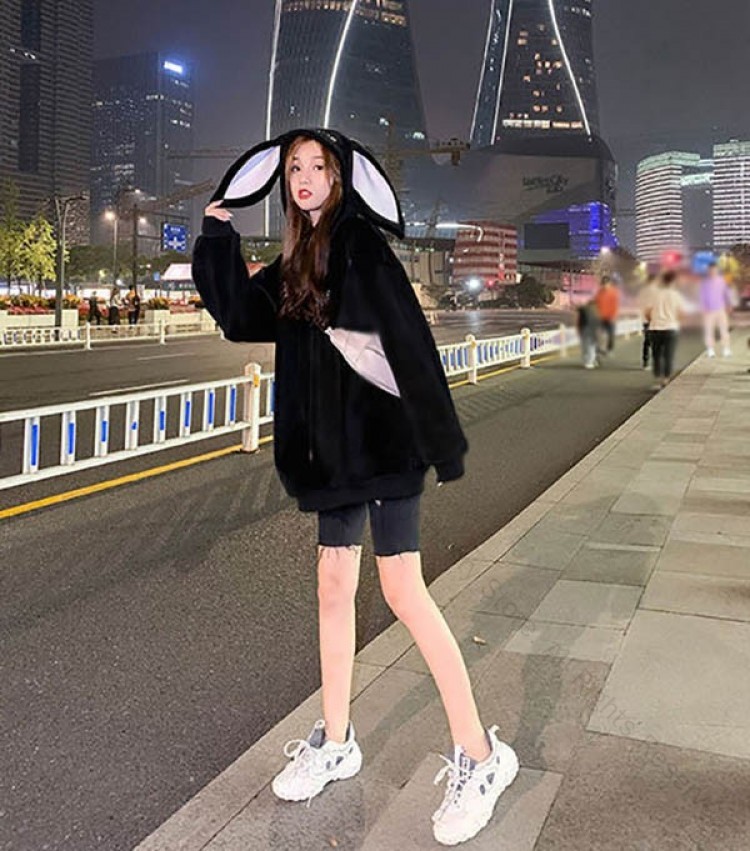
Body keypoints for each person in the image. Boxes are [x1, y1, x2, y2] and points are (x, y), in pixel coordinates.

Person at [192, 129, 519, 846]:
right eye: (294, 167)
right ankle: (337, 741)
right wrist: (217, 233)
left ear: (341, 178)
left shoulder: (360, 244)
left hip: (384, 442)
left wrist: (437, 437)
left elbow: (407, 336)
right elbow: (242, 317)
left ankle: (481, 756)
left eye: (318, 166)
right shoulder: (296, 256)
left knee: (403, 591)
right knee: (333, 584)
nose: (304, 177)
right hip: (334, 454)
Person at [645, 269, 687, 389]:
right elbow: (682, 313)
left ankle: (658, 379)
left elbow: (647, 313)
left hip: (655, 328)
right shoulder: (677, 295)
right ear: (674, 282)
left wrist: (653, 319)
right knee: (669, 355)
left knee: (656, 355)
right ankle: (666, 379)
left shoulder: (654, 294)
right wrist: (676, 321)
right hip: (671, 328)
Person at [699, 261, 732, 357]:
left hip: (721, 309)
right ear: (708, 270)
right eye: (710, 270)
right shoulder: (705, 282)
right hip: (709, 311)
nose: (712, 271)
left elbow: (726, 294)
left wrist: (729, 305)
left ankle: (726, 349)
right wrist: (703, 308)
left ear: (717, 270)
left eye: (714, 270)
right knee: (709, 331)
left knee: (724, 330)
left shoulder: (722, 281)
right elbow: (702, 296)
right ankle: (710, 350)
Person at [638, 273, 660, 370]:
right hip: (656, 319)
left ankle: (645, 361)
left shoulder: (643, 291)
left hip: (646, 319)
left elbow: (640, 304)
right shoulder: (658, 291)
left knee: (647, 340)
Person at [594, 275, 620, 354]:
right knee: (598, 334)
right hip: (601, 317)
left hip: (610, 317)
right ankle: (599, 349)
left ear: (609, 283)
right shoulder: (599, 293)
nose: (605, 285)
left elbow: (615, 305)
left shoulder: (614, 292)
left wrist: (613, 316)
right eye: (603, 283)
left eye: (606, 283)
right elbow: (596, 304)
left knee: (611, 335)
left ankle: (610, 349)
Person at [576, 298, 600, 369]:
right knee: (591, 347)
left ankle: (587, 361)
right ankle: (589, 362)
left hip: (583, 330)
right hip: (591, 330)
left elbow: (579, 321)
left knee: (585, 346)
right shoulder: (595, 311)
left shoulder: (583, 310)